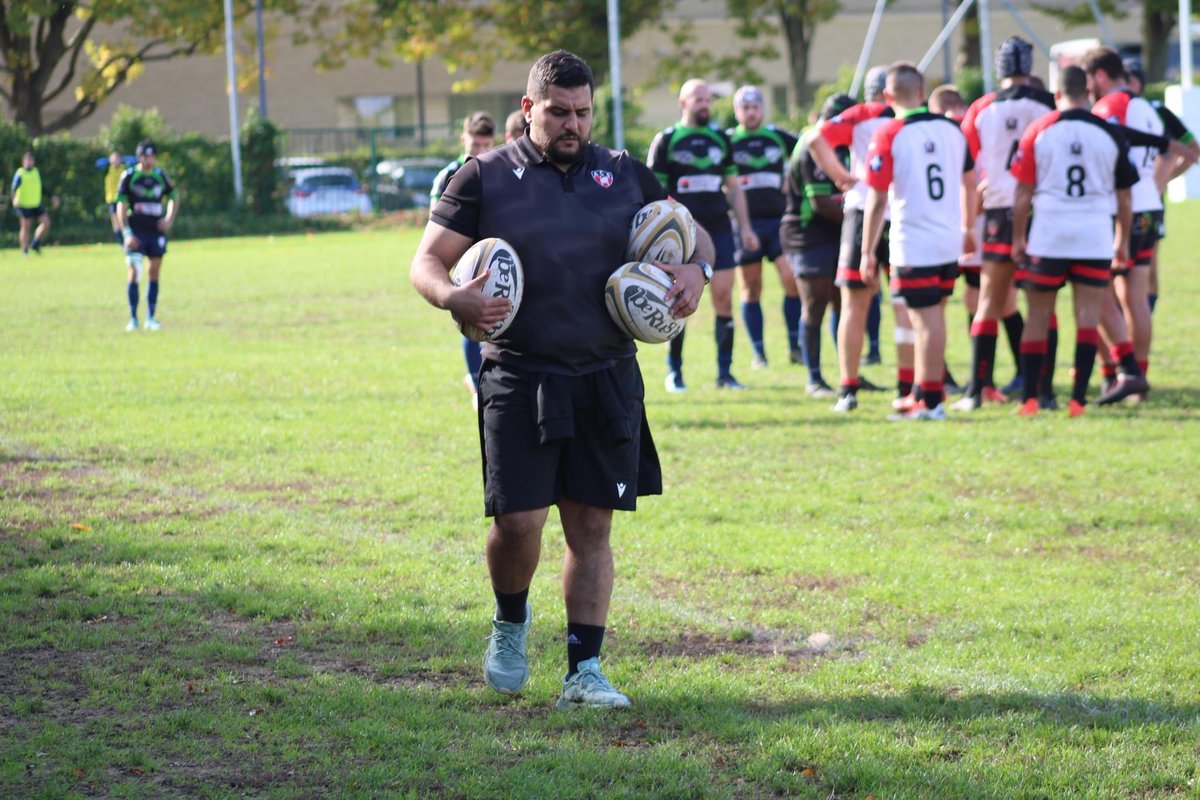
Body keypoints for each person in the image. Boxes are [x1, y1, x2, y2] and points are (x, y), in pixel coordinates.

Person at [409, 50, 713, 709]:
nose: (572, 124)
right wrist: (450, 297)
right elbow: (427, 260)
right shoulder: (484, 177)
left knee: (591, 528)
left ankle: (585, 670)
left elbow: (695, 236)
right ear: (529, 109)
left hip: (606, 374)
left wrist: (697, 271)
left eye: (582, 113)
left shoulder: (626, 172)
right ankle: (510, 622)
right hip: (519, 375)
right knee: (518, 523)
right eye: (558, 113)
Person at [1009, 65, 1139, 416]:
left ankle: (1032, 399)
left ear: (1056, 94)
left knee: (1038, 315)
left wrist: (1018, 238)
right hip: (1094, 235)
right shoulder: (1108, 132)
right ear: (1088, 93)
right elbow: (1125, 197)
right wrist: (1121, 241)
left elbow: (1022, 193)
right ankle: (1078, 400)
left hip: (1049, 234)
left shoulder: (1039, 129)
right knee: (1087, 315)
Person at [861, 62, 976, 420]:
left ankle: (931, 401)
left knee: (924, 322)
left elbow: (878, 198)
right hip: (947, 240)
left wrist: (866, 251)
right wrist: (968, 227)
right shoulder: (953, 130)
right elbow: (970, 182)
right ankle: (922, 392)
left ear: (887, 96)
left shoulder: (890, 132)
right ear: (923, 92)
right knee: (933, 317)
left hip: (915, 241)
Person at [955, 38, 1055, 412]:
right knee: (1043, 304)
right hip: (1040, 212)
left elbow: (966, 157)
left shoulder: (982, 107)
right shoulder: (1046, 105)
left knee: (987, 302)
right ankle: (1042, 392)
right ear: (1028, 66)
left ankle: (975, 391)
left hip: (998, 210)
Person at [648, 78, 759, 391]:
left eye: (708, 99)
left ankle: (725, 374)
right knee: (679, 299)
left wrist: (746, 227)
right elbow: (653, 191)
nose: (705, 104)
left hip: (721, 230)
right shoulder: (667, 140)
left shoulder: (721, 140)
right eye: (698, 99)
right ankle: (675, 371)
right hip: (680, 235)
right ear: (683, 103)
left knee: (724, 298)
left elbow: (734, 188)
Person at [809, 66, 904, 412]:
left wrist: (840, 175)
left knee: (854, 305)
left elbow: (814, 138)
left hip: (863, 210)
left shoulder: (861, 114)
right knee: (910, 304)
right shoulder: (906, 117)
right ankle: (914, 384)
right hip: (902, 214)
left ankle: (848, 388)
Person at [1083, 47, 1175, 400]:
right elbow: (1171, 147)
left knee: (1100, 294)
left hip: (1122, 210)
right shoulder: (1145, 106)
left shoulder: (1110, 106)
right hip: (1150, 206)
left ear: (1100, 76)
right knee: (1135, 298)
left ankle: (1119, 373)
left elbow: (1110, 147)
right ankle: (1138, 375)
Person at [782, 92, 854, 396]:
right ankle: (814, 378)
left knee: (844, 303)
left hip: (836, 231)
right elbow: (822, 203)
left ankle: (847, 376)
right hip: (808, 233)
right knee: (815, 305)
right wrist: (857, 222)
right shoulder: (814, 145)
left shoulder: (841, 145)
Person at [726, 85, 801, 368]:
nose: (751, 112)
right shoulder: (728, 141)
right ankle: (759, 353)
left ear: (762, 109)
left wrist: (792, 181)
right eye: (745, 107)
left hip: (779, 222)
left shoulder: (777, 136)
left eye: (755, 106)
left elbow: (809, 149)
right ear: (736, 111)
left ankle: (795, 346)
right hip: (745, 224)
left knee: (791, 279)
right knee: (751, 287)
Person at [430, 112, 498, 409]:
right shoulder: (448, 175)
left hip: (494, 257)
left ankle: (489, 378)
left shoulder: (500, 169)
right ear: (463, 140)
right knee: (472, 320)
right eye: (475, 145)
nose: (480, 151)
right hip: (466, 260)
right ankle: (476, 382)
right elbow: (435, 225)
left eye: (485, 144)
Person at [1122, 57, 1199, 316]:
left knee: (1147, 267)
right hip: (1125, 200)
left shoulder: (1157, 112)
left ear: (1133, 81)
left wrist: (1163, 180)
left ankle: (1142, 323)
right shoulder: (1113, 110)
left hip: (1145, 202)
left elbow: (1193, 150)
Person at [117, 139, 178, 332]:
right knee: (134, 272)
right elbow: (121, 206)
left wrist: (168, 218)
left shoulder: (161, 175)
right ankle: (133, 319)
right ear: (139, 157)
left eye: (152, 156)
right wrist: (126, 232)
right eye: (146, 156)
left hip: (155, 231)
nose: (149, 159)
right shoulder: (129, 176)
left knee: (154, 271)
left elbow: (174, 196)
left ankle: (151, 317)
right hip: (136, 231)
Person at [12, 152, 50, 255]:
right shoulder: (20, 173)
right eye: (27, 160)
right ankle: (25, 250)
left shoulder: (36, 171)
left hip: (36, 204)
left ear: (33, 162)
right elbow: (14, 188)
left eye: (31, 160)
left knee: (46, 223)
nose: (29, 162)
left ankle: (35, 243)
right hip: (24, 205)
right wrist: (15, 198)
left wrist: (52, 196)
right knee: (26, 227)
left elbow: (40, 187)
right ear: (24, 161)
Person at [104, 151, 126, 245]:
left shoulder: (123, 169)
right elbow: (98, 163)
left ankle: (126, 239)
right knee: (115, 222)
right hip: (111, 199)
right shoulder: (107, 169)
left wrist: (123, 160)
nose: (115, 160)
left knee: (123, 219)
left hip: (121, 198)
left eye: (117, 158)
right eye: (113, 158)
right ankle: (120, 242)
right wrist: (109, 161)